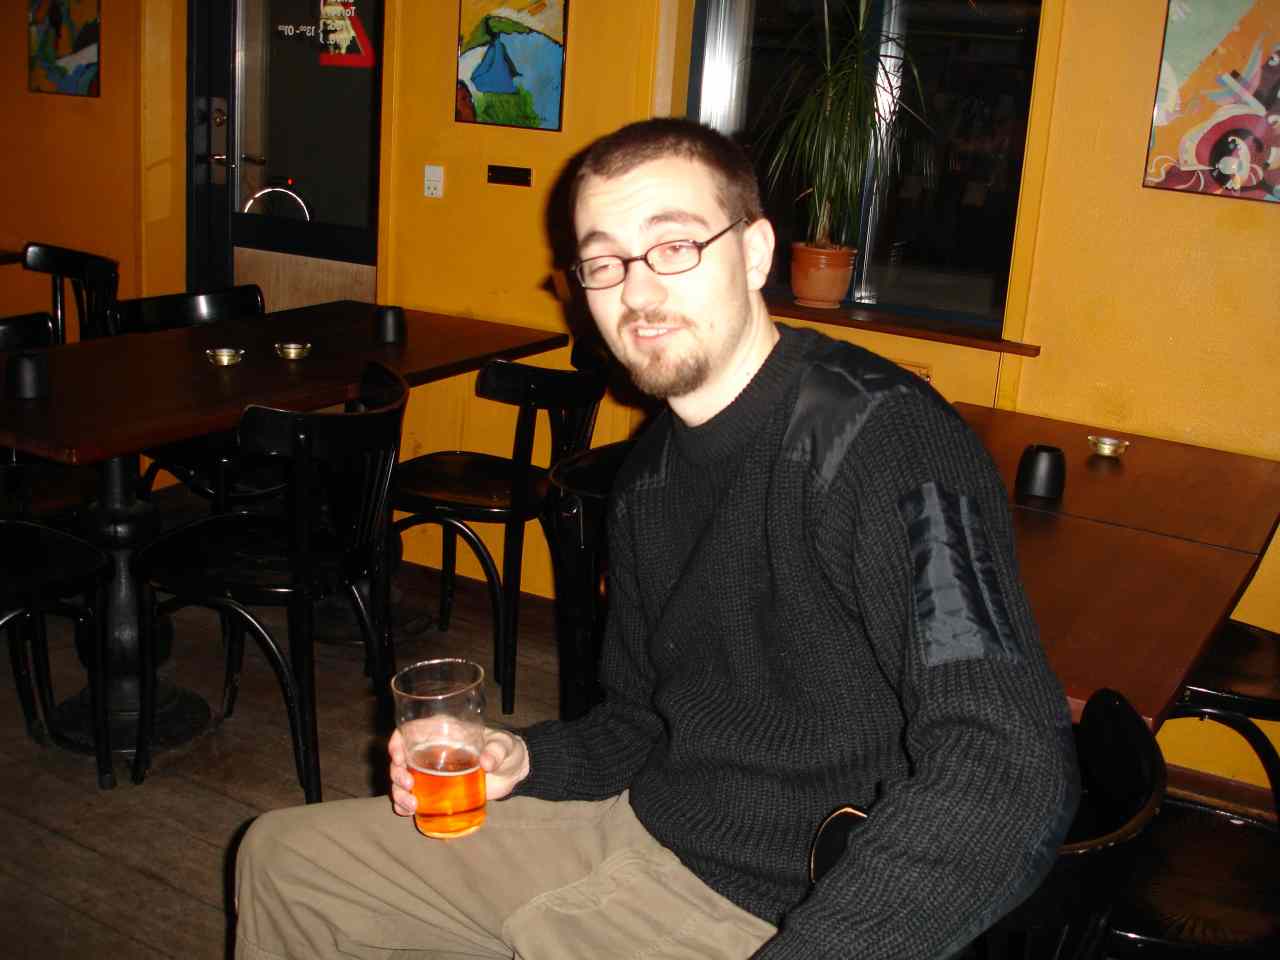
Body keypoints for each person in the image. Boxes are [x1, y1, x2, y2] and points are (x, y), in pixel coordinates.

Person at [234, 118, 1079, 960]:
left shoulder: (883, 440)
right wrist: (517, 757)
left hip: (790, 910)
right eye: (604, 263)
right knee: (282, 860)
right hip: (639, 832)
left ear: (754, 253)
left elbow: (1008, 761)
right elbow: (640, 722)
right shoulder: (648, 479)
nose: (636, 294)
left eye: (674, 247)